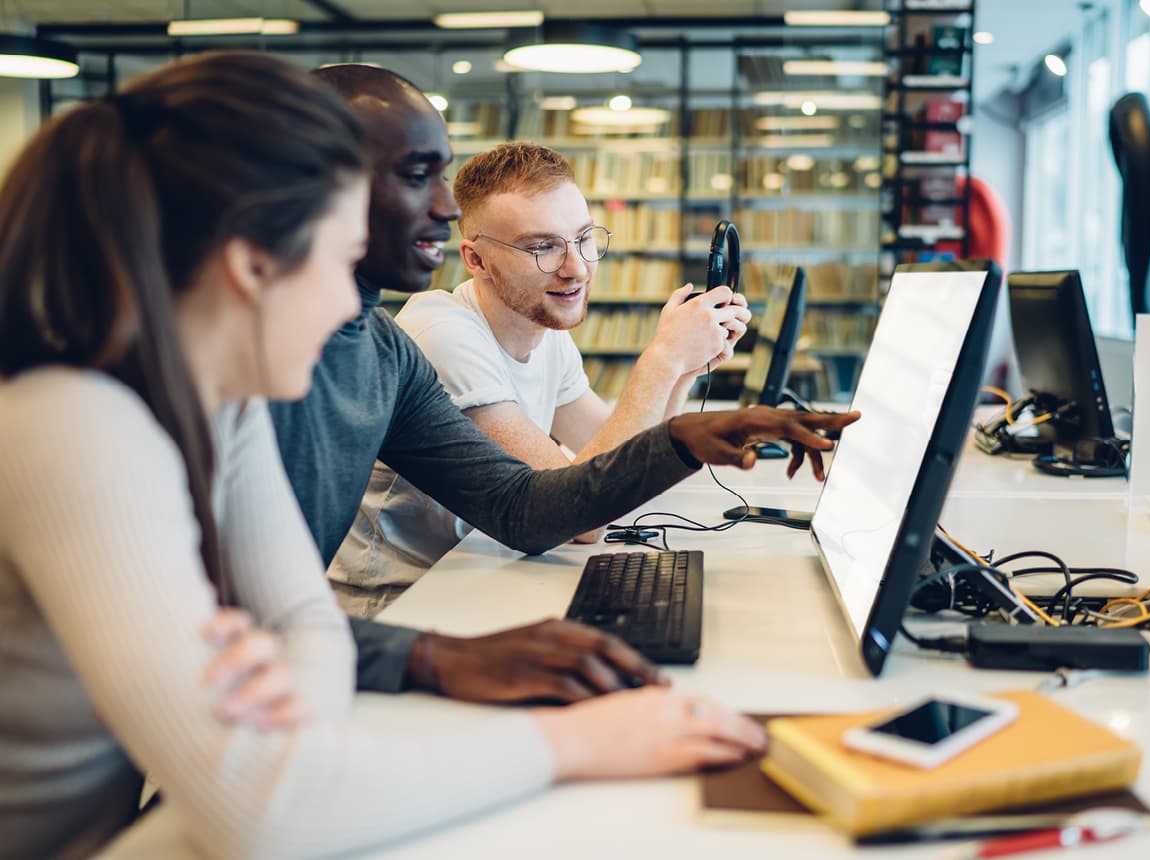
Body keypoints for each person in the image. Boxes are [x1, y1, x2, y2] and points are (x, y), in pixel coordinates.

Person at [0, 52, 859, 859]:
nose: (354, 307)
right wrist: (577, 742)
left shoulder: (230, 406)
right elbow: (263, 805)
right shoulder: (74, 425)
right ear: (249, 266)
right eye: (341, 263)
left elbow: (299, 629)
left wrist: (301, 680)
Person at [269, 64, 855, 707]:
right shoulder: (394, 340)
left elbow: (530, 506)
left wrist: (685, 415)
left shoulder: (382, 349)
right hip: (377, 626)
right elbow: (240, 619)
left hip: (392, 627)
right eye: (417, 177)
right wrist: (659, 366)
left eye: (582, 240)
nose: (443, 210)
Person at [329, 141, 752, 605]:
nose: (576, 268)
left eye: (584, 238)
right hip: (402, 599)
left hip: (486, 571)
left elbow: (632, 469)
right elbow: (581, 518)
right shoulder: (442, 335)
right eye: (542, 247)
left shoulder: (544, 329)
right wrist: (661, 360)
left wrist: (685, 369)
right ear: (475, 260)